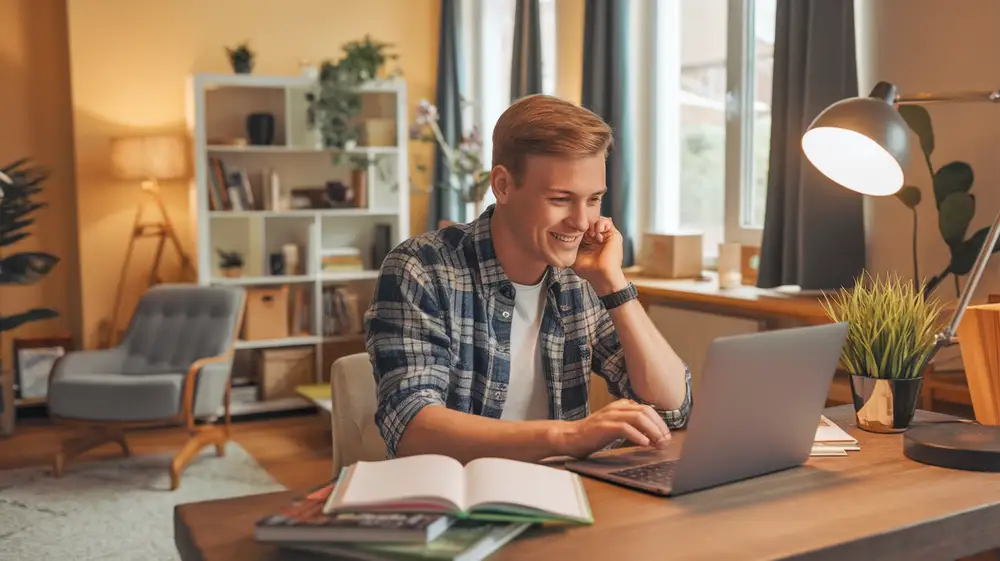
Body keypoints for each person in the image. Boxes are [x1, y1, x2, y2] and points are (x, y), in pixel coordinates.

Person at [364, 94, 693, 464]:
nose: (582, 222)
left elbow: (672, 408)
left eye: (594, 199)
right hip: (461, 501)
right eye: (560, 199)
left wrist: (614, 285)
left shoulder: (580, 280)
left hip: (563, 494)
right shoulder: (420, 269)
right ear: (503, 185)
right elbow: (411, 429)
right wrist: (570, 436)